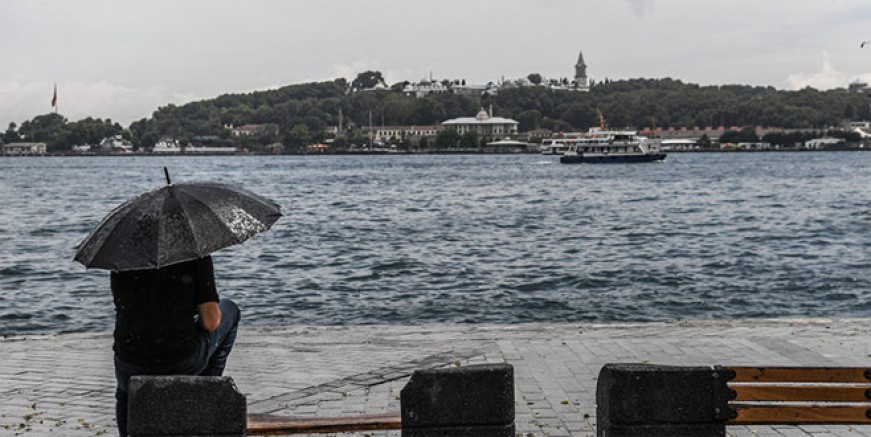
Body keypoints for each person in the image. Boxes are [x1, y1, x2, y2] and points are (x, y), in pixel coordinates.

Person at [110, 255, 240, 437]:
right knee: (231, 310)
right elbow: (211, 322)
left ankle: (127, 431)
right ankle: (204, 393)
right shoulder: (194, 256)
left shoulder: (122, 258)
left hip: (131, 364)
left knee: (125, 385)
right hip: (180, 361)